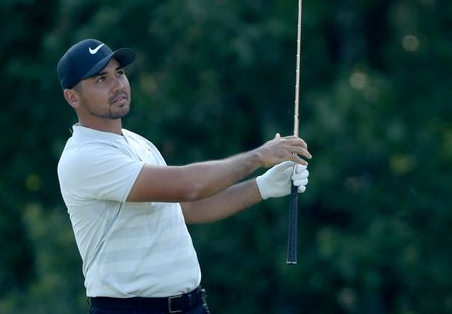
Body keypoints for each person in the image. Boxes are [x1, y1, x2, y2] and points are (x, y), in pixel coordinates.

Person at [56, 38, 311, 314]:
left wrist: (262, 187)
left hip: (191, 305)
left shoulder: (137, 143)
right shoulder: (83, 157)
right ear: (73, 97)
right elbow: (189, 187)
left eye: (119, 73)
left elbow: (187, 208)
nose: (117, 85)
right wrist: (259, 156)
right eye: (101, 79)